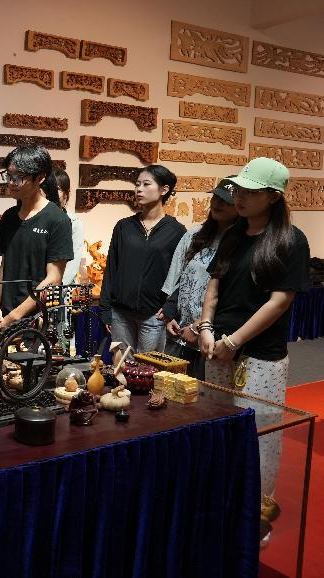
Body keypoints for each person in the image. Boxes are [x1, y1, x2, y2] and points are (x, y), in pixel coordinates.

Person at [198, 158, 310, 538]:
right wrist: (207, 328)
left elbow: (279, 301)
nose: (239, 197)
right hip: (218, 347)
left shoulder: (290, 240)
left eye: (250, 191)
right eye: (238, 190)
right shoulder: (233, 234)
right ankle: (219, 506)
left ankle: (255, 517)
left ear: (273, 197)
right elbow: (214, 286)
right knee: (217, 428)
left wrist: (235, 340)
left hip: (260, 356)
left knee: (260, 437)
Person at [99, 165, 186, 353]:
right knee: (122, 367)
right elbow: (111, 269)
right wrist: (105, 309)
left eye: (146, 184)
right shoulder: (123, 227)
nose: (139, 189)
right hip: (120, 314)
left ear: (164, 190)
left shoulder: (177, 231)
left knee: (148, 368)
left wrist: (170, 306)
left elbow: (182, 275)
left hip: (154, 315)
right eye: (137, 184)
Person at [159, 180, 238, 379]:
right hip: (180, 332)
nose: (218, 204)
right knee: (170, 387)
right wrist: (171, 312)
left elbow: (232, 295)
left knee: (203, 393)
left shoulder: (241, 243)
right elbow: (181, 276)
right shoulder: (195, 234)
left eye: (226, 201)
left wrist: (197, 327)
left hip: (211, 335)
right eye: (216, 197)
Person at [0, 146, 73, 330]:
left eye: (19, 177)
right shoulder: (9, 217)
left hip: (37, 319)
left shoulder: (57, 220)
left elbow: (53, 279)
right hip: (4, 314)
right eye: (9, 176)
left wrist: (16, 315)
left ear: (40, 178)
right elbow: (5, 265)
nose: (11, 182)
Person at [54, 169, 86, 285]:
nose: (52, 192)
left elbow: (72, 264)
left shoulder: (74, 222)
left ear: (66, 194)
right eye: (49, 188)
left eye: (57, 189)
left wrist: (55, 288)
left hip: (61, 287)